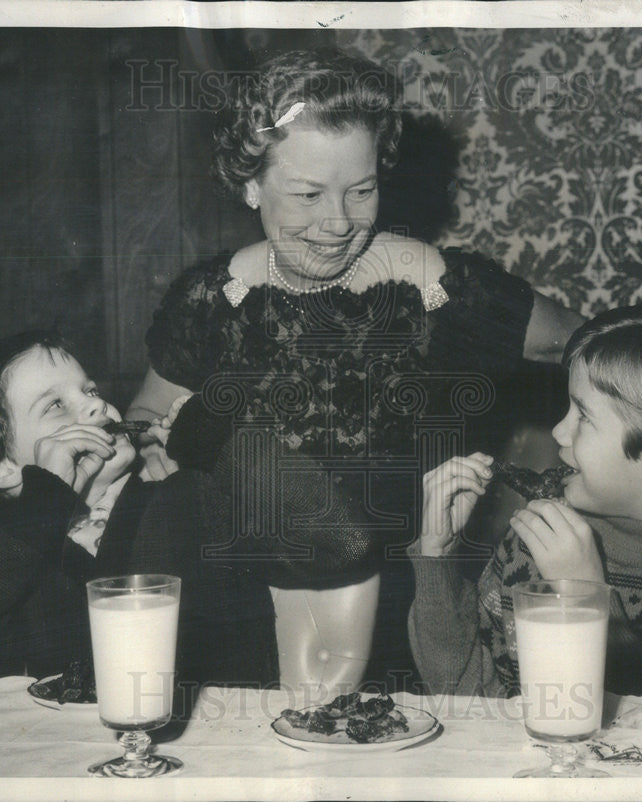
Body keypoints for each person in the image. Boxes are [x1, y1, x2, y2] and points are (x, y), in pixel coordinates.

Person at [127, 48, 583, 685]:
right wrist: (152, 446)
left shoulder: (442, 294)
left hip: (410, 636)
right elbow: (148, 417)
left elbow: (603, 352)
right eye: (308, 194)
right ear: (251, 182)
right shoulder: (211, 301)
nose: (338, 222)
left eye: (362, 190)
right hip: (242, 631)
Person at [410, 305, 642, 771]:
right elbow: (466, 700)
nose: (557, 431)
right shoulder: (540, 537)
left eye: (583, 416)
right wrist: (437, 559)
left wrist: (591, 605)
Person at [0, 330, 380, 686]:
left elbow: (345, 542)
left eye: (90, 389)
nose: (97, 406)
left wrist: (221, 442)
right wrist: (45, 506)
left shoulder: (188, 500)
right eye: (58, 405)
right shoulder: (6, 549)